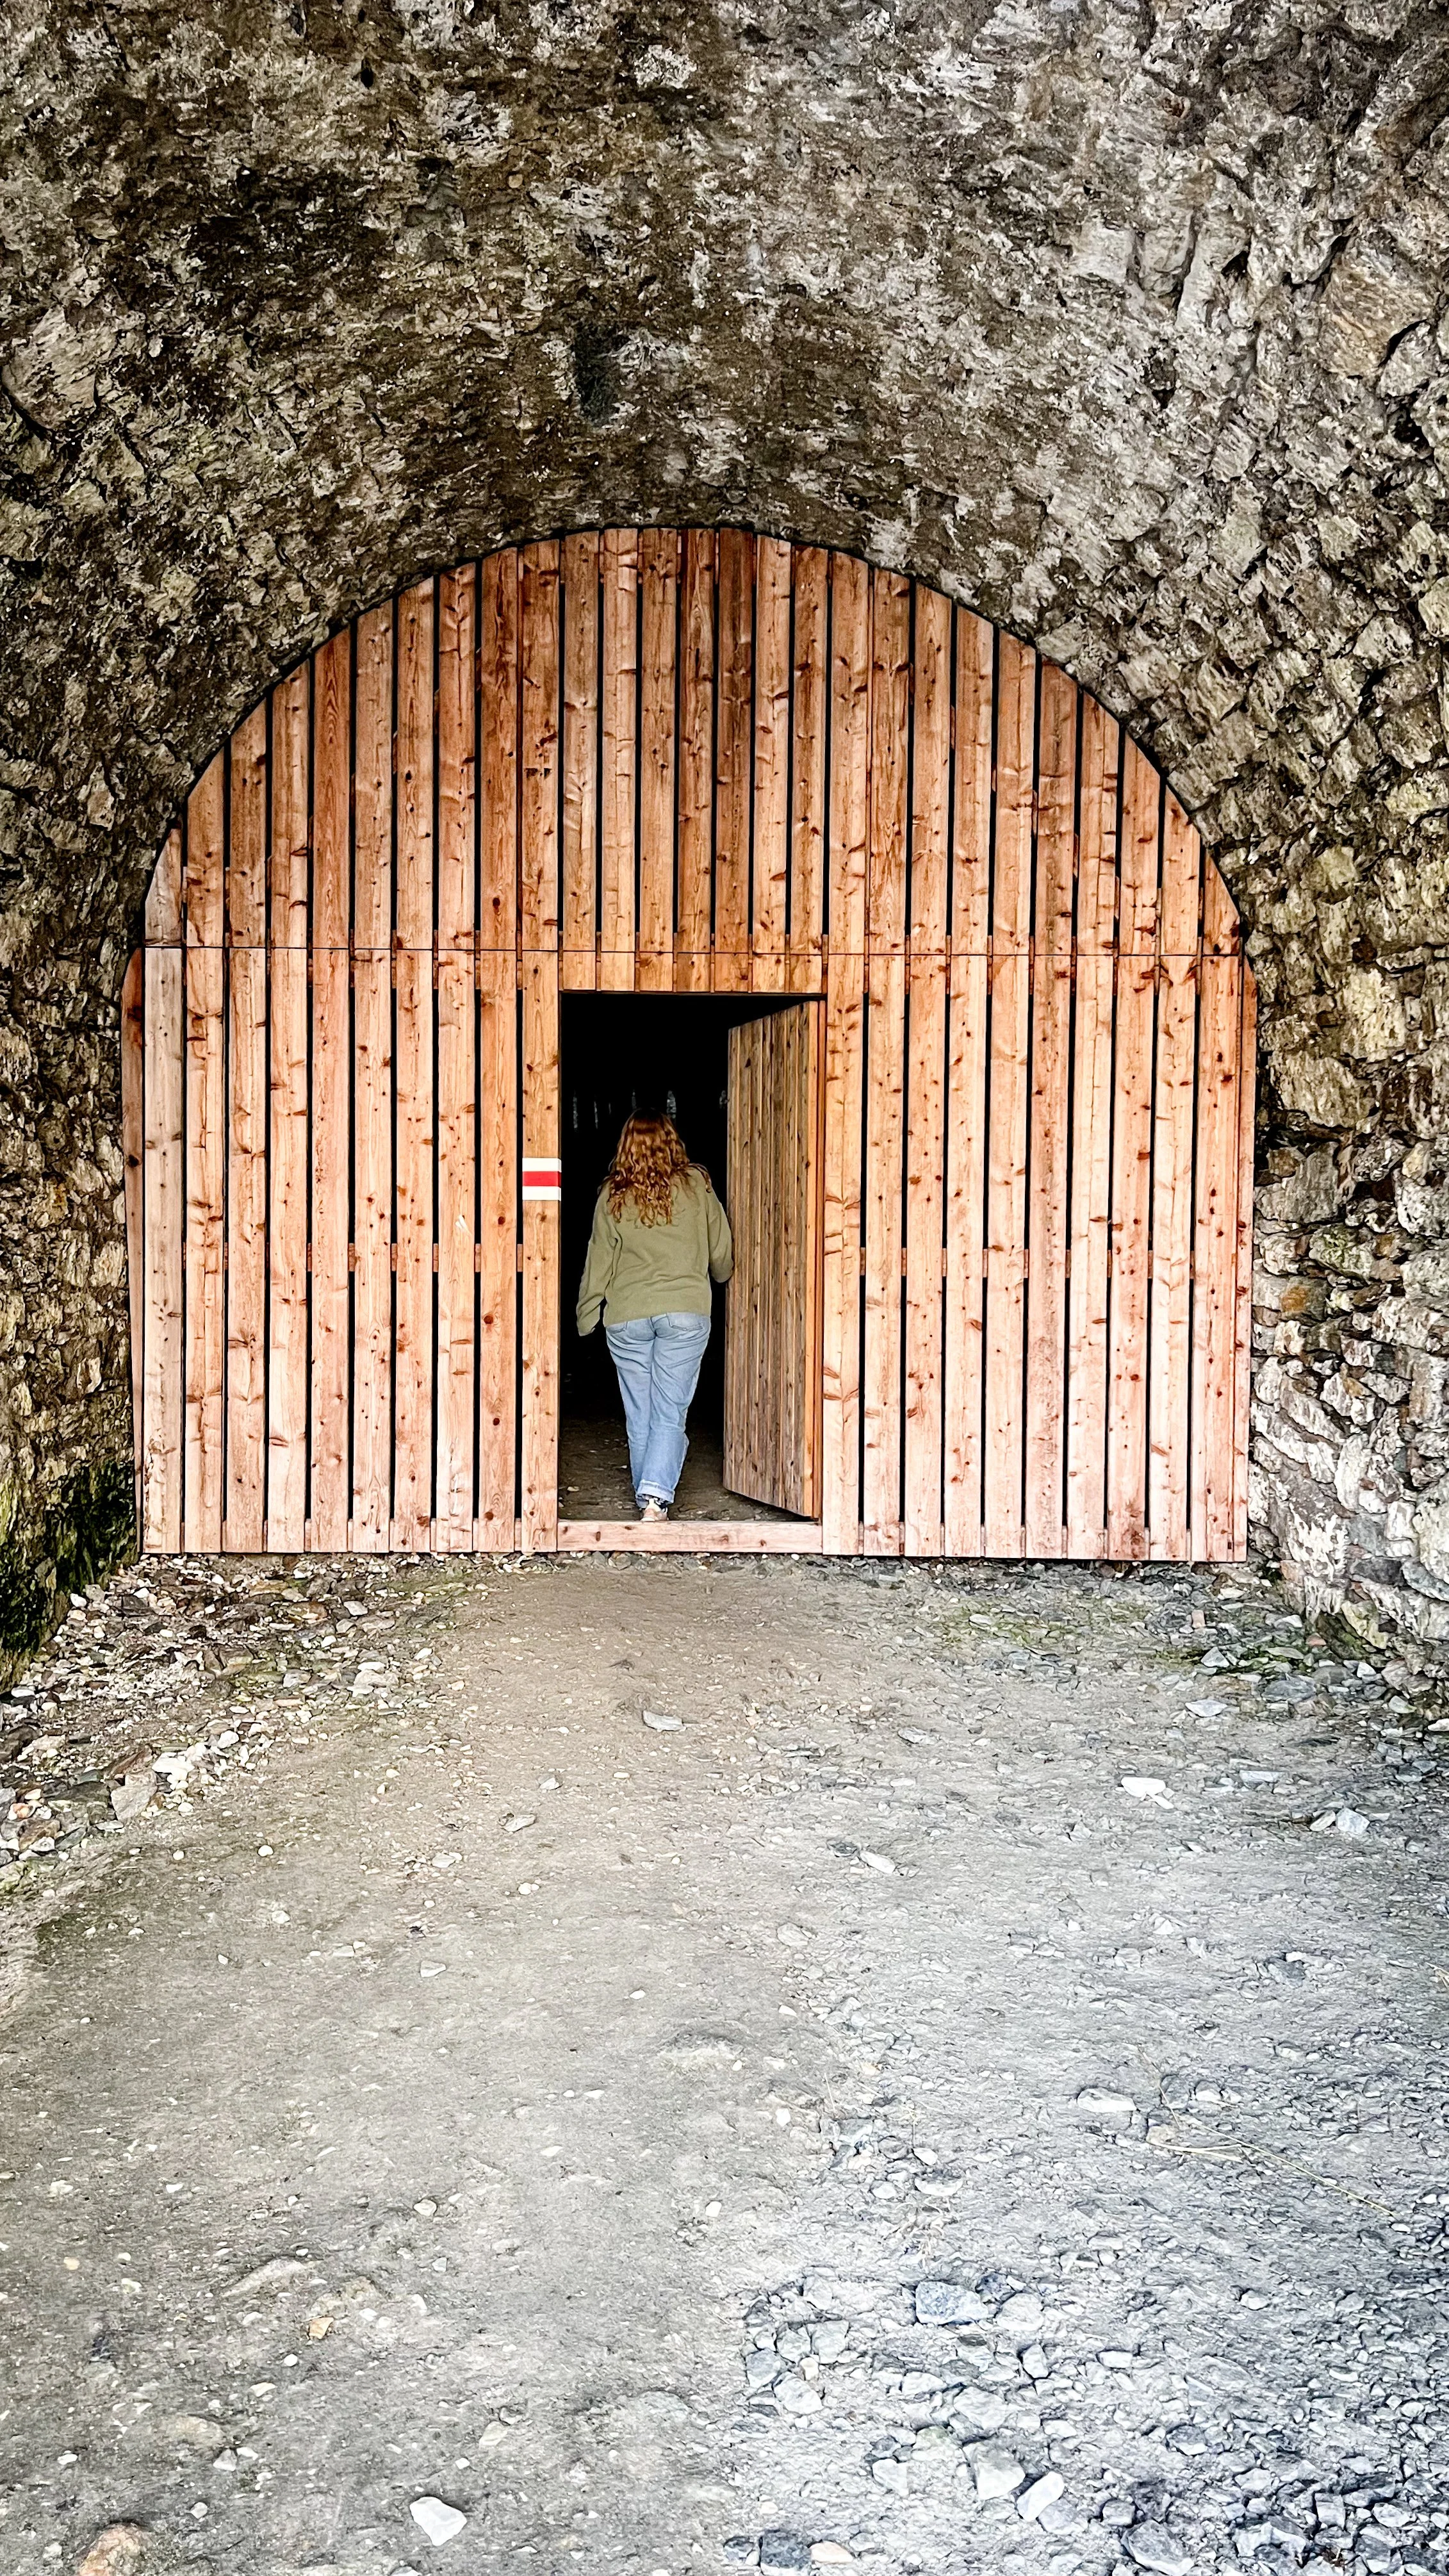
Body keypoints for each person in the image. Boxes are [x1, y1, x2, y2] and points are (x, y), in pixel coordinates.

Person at [575, 1110, 734, 1522]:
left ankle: (649, 1495)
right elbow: (720, 1250)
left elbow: (599, 1261)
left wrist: (586, 1313)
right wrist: (721, 1275)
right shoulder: (698, 1185)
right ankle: (655, 1500)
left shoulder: (612, 1194)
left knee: (640, 1411)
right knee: (670, 1410)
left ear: (625, 1145)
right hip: (685, 1312)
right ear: (672, 1140)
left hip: (627, 1317)